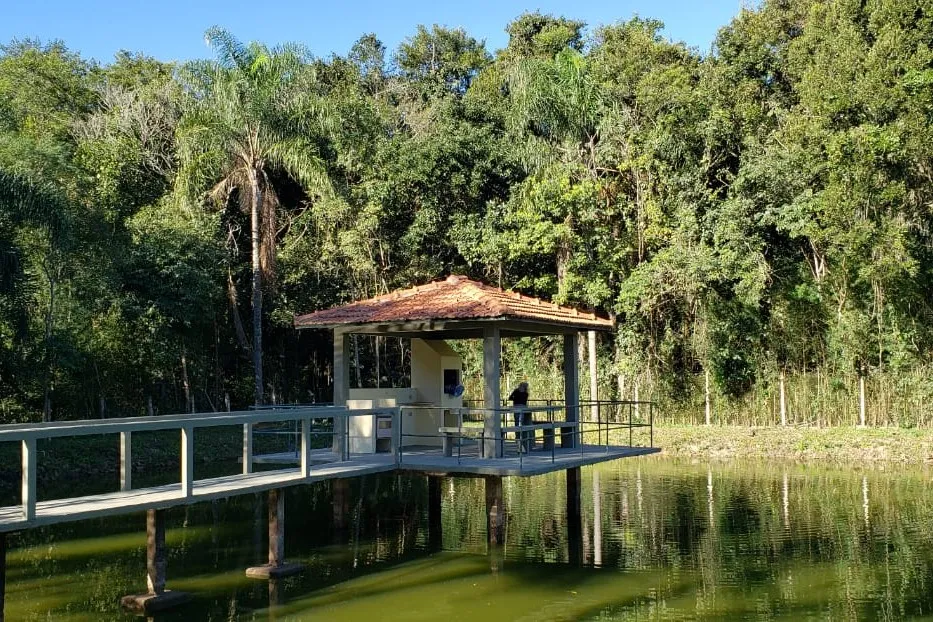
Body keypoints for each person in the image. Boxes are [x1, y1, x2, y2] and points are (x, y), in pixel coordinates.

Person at [508, 382, 532, 452]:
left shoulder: (516, 391)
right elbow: (524, 401)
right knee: (520, 423)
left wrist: (515, 398)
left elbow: (510, 398)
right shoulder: (526, 393)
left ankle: (519, 440)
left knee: (518, 424)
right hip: (523, 408)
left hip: (516, 407)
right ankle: (520, 442)